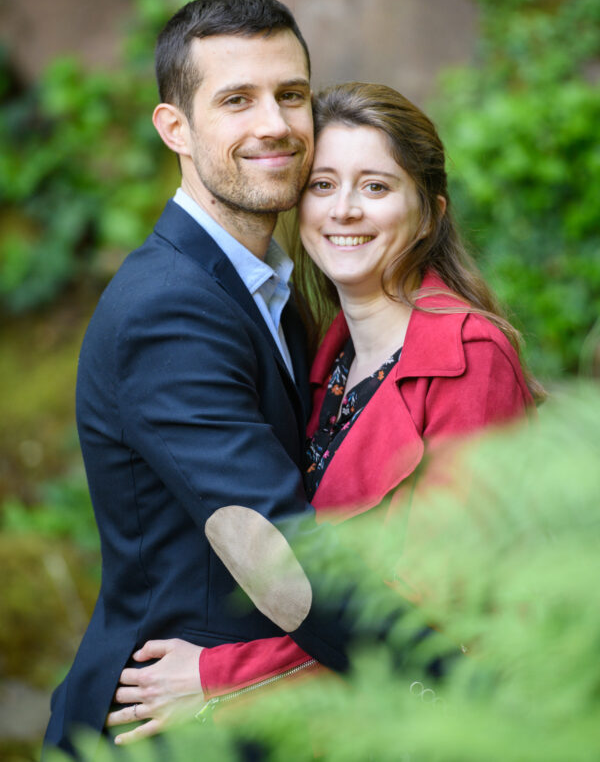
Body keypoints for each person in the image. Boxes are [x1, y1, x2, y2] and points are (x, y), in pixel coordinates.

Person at [106, 81, 541, 743]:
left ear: (429, 214)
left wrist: (226, 676)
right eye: (322, 185)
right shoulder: (320, 353)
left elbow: (440, 598)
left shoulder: (467, 358)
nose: (344, 210)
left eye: (376, 187)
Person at [44, 0, 372, 758]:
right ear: (175, 129)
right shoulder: (169, 311)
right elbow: (282, 558)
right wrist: (448, 675)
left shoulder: (270, 285)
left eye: (291, 94)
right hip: (166, 725)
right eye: (236, 100)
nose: (275, 124)